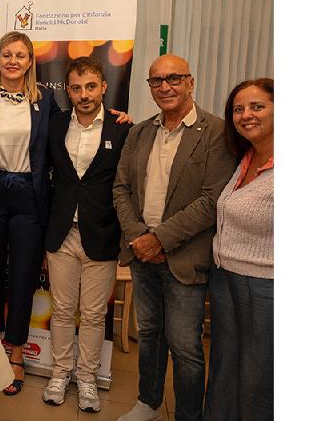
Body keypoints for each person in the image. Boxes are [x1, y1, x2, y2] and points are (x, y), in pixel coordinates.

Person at [112, 54, 235, 421]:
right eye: (156, 81)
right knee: (149, 335)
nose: (165, 87)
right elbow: (121, 188)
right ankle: (148, 403)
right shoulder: (140, 132)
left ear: (190, 82)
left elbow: (212, 200)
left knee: (185, 347)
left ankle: (187, 415)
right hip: (141, 252)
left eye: (173, 79)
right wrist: (139, 238)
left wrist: (160, 240)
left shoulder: (215, 132)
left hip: (183, 257)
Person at [40, 56, 133, 411]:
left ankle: (88, 378)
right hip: (61, 234)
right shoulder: (55, 124)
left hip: (101, 235)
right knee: (63, 311)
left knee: (94, 315)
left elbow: (128, 185)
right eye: (76, 88)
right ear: (68, 90)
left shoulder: (122, 129)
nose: (84, 95)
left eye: (91, 86)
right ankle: (60, 373)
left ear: (104, 87)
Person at [0, 31, 56, 396]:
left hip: (28, 197)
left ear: (30, 62)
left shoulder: (46, 101)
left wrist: (116, 120)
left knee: (22, 280)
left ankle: (17, 355)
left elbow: (68, 136)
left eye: (21, 55)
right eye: (7, 54)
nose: (13, 61)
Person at [204, 78, 274, 421]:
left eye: (257, 106)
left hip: (265, 286)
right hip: (226, 277)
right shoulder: (245, 158)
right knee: (224, 372)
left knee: (258, 380)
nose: (246, 115)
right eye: (238, 109)